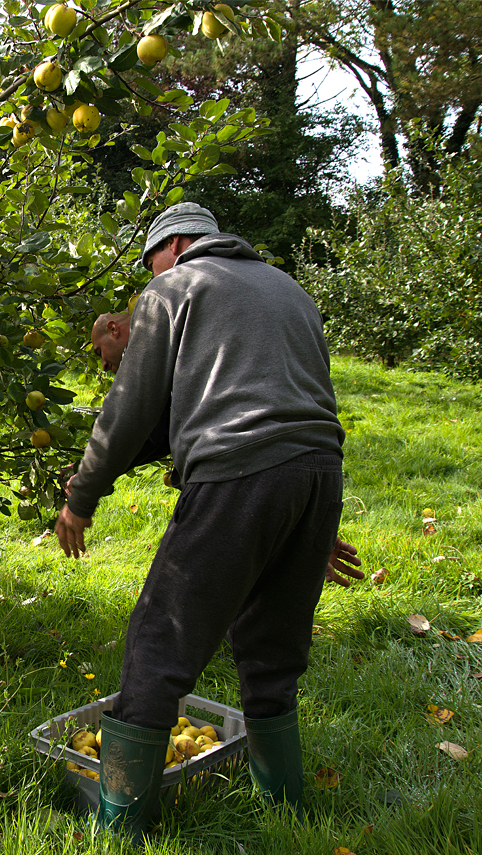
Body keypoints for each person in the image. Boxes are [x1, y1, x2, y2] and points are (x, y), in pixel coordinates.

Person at [55, 202, 364, 839]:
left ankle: (119, 825)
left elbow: (131, 408)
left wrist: (80, 496)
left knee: (159, 644)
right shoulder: (289, 290)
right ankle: (286, 814)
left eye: (151, 261)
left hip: (237, 473)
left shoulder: (178, 285)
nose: (148, 277)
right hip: (317, 474)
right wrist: (304, 526)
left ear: (179, 244)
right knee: (273, 654)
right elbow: (295, 402)